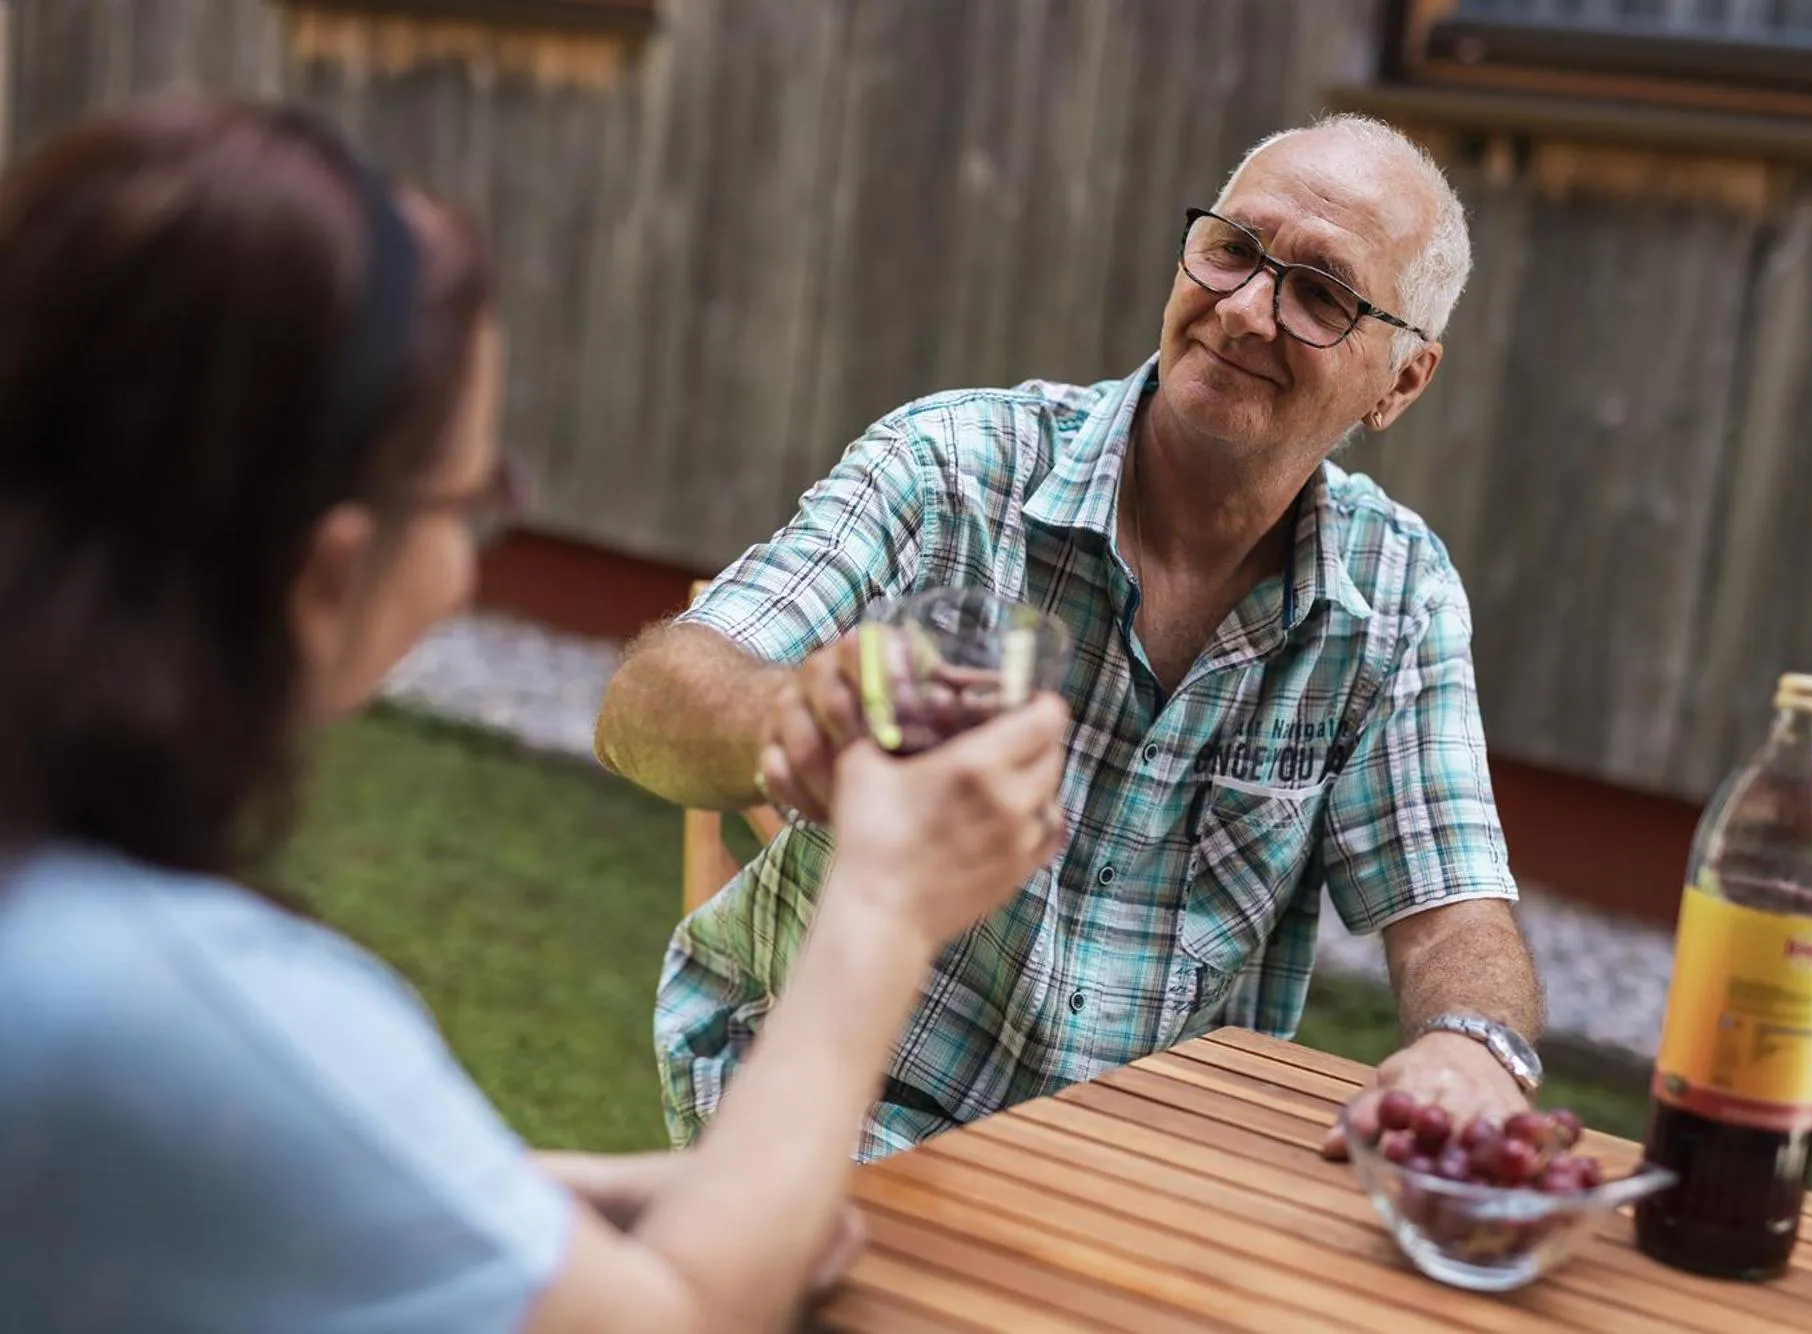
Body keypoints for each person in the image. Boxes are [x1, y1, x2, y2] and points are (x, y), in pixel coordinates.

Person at [0, 93, 1069, 1334]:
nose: (465, 566)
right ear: (330, 572)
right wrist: (886, 897)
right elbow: (682, 1319)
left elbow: (229, 1170)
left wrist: (547, 1197)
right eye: (475, 500)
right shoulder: (180, 995)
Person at [598, 113, 1546, 1163]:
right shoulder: (953, 463)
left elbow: (1453, 910)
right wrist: (787, 714)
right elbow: (648, 702)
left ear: (1401, 382)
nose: (1243, 310)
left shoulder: (1394, 592)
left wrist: (1471, 1048)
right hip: (842, 1099)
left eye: (1319, 292)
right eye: (1232, 248)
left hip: (1135, 1162)